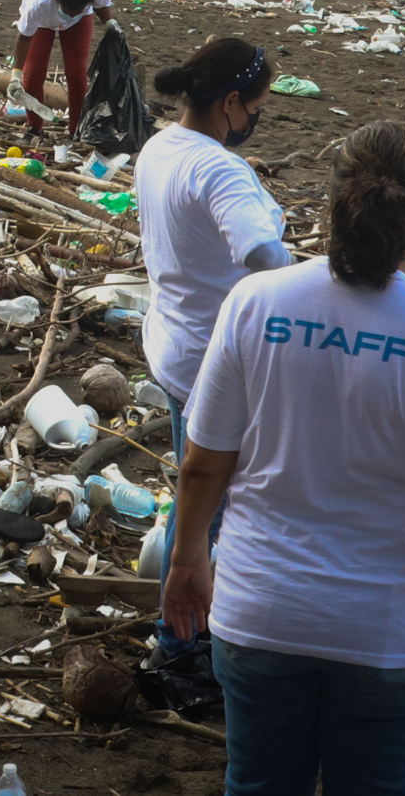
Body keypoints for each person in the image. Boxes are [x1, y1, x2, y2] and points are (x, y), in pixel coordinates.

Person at [160, 121, 405, 796]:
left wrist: (186, 557)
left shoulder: (256, 302)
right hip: (386, 630)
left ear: (332, 201)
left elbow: (204, 463)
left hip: (259, 612)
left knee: (260, 784)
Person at [136, 37, 288, 653]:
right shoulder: (218, 168)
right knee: (204, 510)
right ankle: (181, 643)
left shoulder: (160, 146)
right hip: (215, 361)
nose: (254, 120)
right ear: (229, 103)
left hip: (173, 341)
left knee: (194, 493)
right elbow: (261, 253)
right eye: (256, 108)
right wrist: (294, 279)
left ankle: (183, 632)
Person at [16, 0, 112, 134]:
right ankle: (34, 127)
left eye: (75, 12)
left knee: (77, 72)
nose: (68, 17)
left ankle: (76, 130)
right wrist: (15, 74)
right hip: (44, 22)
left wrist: (110, 24)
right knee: (32, 73)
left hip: (80, 22)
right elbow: (24, 37)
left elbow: (102, 6)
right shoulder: (39, 2)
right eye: (67, 12)